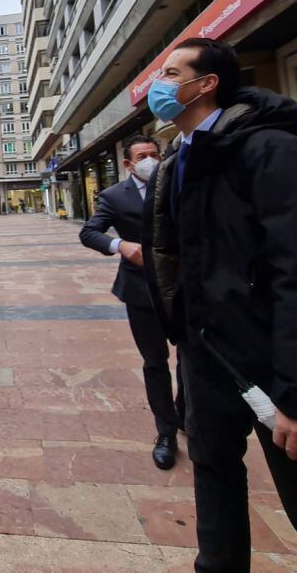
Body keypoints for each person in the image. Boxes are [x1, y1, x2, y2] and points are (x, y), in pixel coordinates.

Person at [141, 38, 297, 572]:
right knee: (213, 480)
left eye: (170, 72)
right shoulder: (178, 161)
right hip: (206, 358)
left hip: (272, 368)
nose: (157, 85)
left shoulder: (272, 152)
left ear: (205, 85)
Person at [80, 134, 184, 469]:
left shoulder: (180, 182)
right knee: (155, 362)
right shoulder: (113, 195)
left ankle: (186, 415)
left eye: (154, 154)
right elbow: (90, 232)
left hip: (184, 287)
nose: (150, 160)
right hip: (141, 292)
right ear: (128, 163)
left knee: (191, 359)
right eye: (142, 156)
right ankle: (165, 432)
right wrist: (119, 246)